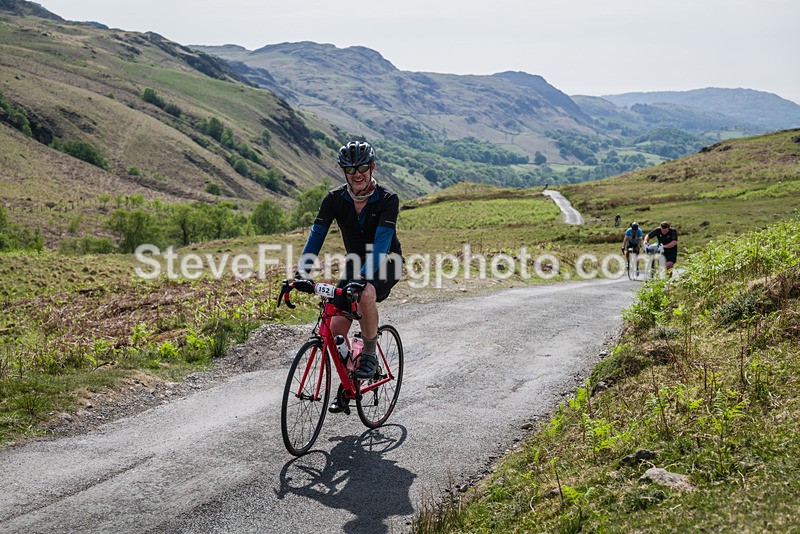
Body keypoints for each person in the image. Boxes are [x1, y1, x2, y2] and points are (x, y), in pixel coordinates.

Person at [294, 141, 403, 412]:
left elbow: (382, 243)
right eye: (351, 169)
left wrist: (363, 278)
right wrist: (301, 272)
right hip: (355, 263)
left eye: (362, 167)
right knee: (334, 330)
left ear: (372, 167)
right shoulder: (334, 199)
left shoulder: (388, 199)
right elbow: (317, 235)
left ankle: (369, 353)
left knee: (365, 293)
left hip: (387, 260)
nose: (357, 174)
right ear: (343, 171)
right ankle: (348, 383)